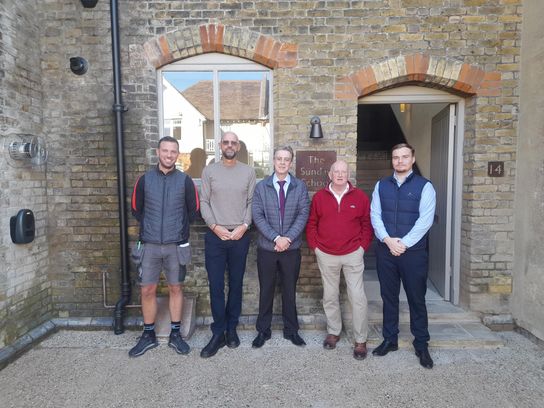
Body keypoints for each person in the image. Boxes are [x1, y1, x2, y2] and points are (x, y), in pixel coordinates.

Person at [128, 136, 198, 357]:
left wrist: (175, 228)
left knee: (176, 288)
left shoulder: (185, 181)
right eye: (165, 151)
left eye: (173, 152)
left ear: (178, 155)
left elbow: (193, 211)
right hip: (148, 244)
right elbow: (136, 209)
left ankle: (175, 334)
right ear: (158, 152)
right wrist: (152, 227)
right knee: (146, 289)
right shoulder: (145, 180)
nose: (169, 155)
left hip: (176, 245)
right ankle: (148, 334)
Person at [370, 143, 436, 369]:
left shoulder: (425, 186)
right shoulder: (381, 185)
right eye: (396, 157)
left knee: (416, 299)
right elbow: (375, 215)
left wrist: (403, 244)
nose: (400, 161)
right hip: (386, 250)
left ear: (413, 158)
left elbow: (425, 221)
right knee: (389, 298)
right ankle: (390, 339)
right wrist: (388, 240)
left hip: (413, 253)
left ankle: (421, 344)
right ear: (392, 160)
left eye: (404, 157)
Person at [306, 160, 374, 360]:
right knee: (330, 295)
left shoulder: (359, 197)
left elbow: (366, 225)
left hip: (353, 253)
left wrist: (362, 248)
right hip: (326, 254)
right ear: (330, 174)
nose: (340, 174)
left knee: (357, 297)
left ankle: (360, 339)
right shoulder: (319, 197)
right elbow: (312, 224)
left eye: (344, 171)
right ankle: (334, 331)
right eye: (336, 171)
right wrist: (316, 247)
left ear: (348, 174)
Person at [199, 131, 256, 358]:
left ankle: (232, 329)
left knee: (235, 283)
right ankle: (218, 331)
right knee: (215, 285)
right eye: (226, 142)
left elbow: (251, 202)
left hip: (240, 235)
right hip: (216, 235)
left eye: (234, 142)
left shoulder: (248, 171)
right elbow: (203, 201)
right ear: (220, 146)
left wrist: (244, 225)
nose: (230, 145)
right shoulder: (209, 170)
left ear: (238, 146)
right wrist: (214, 226)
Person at [251, 146, 310, 348]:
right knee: (266, 290)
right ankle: (263, 331)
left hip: (291, 250)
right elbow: (257, 216)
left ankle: (291, 330)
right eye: (279, 159)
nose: (283, 162)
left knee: (289, 290)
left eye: (286, 159)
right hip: (267, 249)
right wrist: (276, 238)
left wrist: (288, 239)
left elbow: (303, 214)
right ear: (273, 161)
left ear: (291, 162)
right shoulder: (262, 187)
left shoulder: (299, 186)